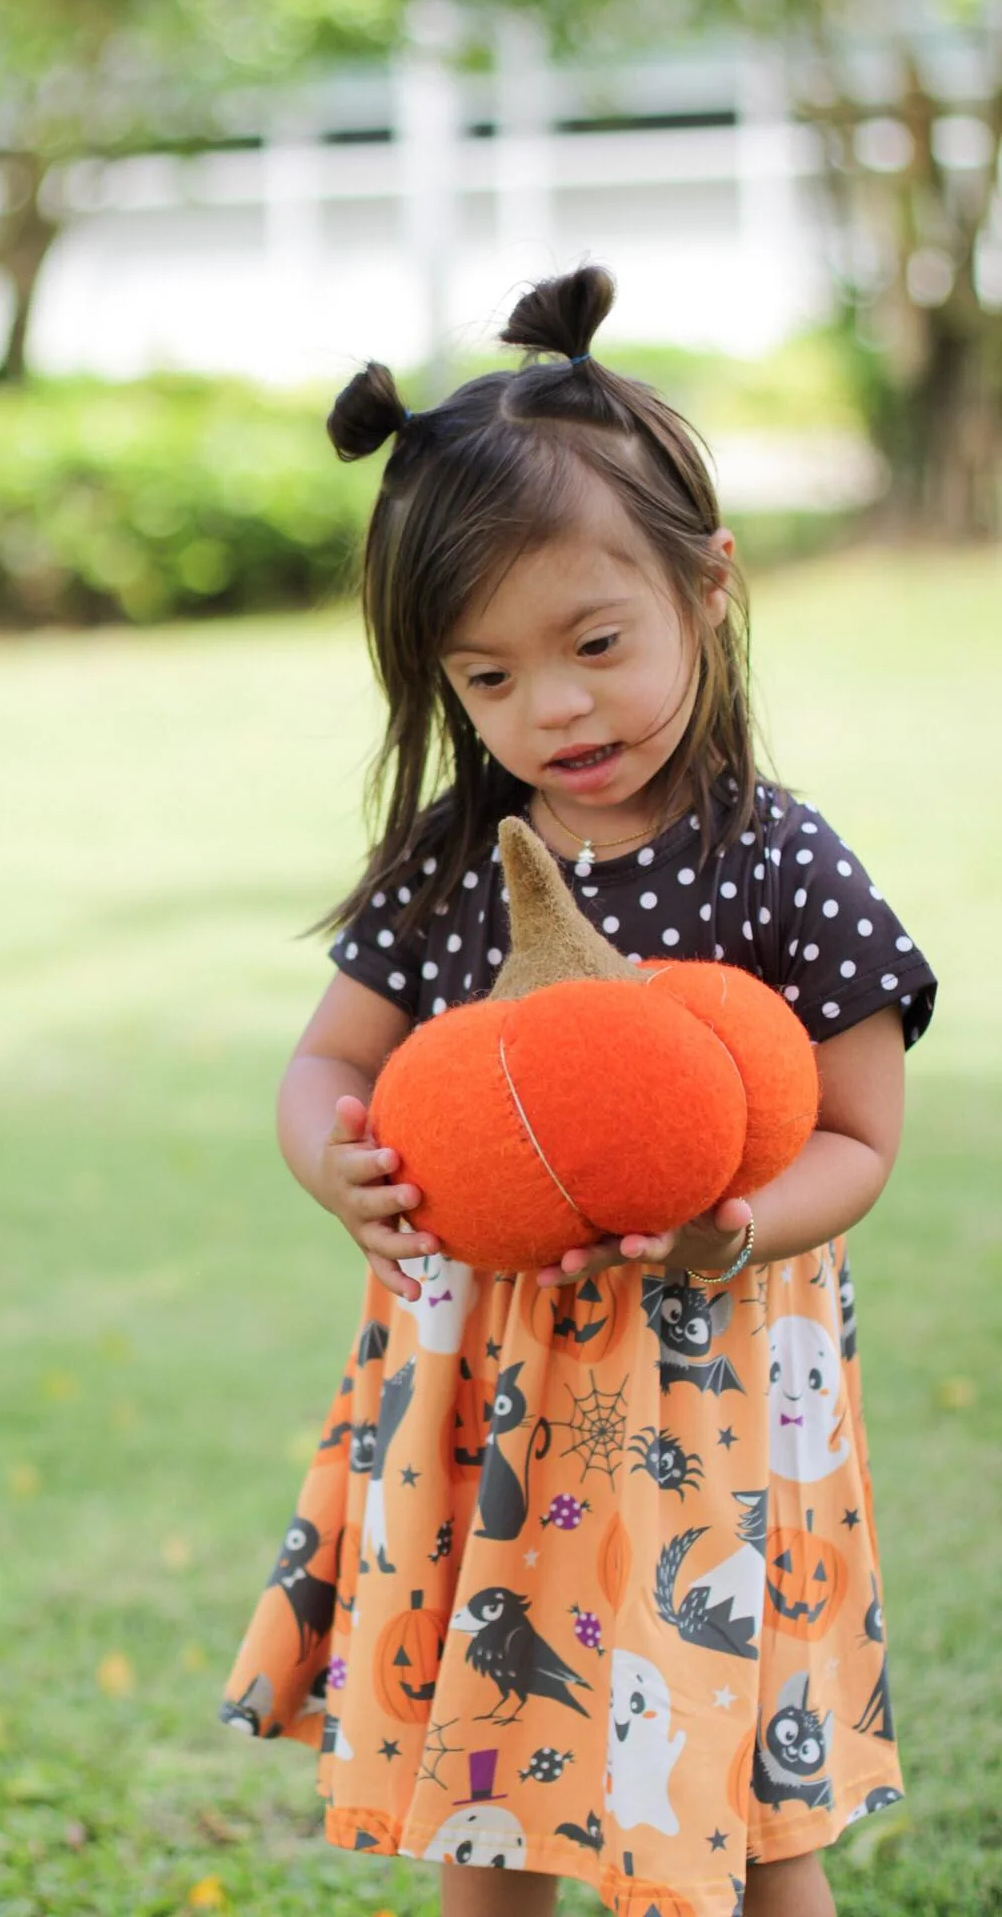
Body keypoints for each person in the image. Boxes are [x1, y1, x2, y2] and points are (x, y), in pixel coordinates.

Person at [218, 265, 935, 1917]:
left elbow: (861, 1137)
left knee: (762, 1825)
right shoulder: (461, 861)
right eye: (485, 678)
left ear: (708, 586)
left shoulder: (778, 864)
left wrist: (734, 1225)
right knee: (494, 1785)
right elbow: (332, 1056)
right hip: (488, 1395)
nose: (551, 709)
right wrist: (335, 1163)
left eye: (595, 645)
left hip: (714, 1407)